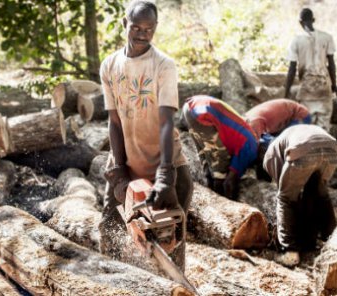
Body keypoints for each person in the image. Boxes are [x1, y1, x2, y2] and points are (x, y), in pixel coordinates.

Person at [99, 0, 193, 271]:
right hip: (126, 159)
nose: (142, 33)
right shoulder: (109, 65)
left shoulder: (163, 66)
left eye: (149, 29)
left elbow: (166, 122)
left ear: (155, 29)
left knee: (169, 240)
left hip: (166, 162)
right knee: (110, 227)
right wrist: (119, 169)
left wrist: (165, 175)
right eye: (136, 27)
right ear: (124, 24)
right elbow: (114, 121)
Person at [263, 124, 337, 267]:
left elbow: (287, 192)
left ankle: (290, 251)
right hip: (332, 149)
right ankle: (334, 242)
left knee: (285, 199)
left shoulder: (269, 155)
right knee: (320, 195)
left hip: (303, 150)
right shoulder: (286, 137)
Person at [182, 95, 258, 199]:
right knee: (221, 165)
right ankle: (218, 201)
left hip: (191, 107)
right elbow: (230, 179)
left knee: (205, 155)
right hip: (204, 113)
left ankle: (209, 185)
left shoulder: (250, 135)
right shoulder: (252, 149)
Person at [285, 8, 337, 131]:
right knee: (324, 127)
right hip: (324, 88)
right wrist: (334, 85)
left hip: (307, 90)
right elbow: (331, 64)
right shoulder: (327, 37)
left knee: (307, 128)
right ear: (313, 20)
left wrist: (287, 91)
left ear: (300, 22)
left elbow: (292, 69)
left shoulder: (296, 40)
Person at [244, 98, 311, 138]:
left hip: (299, 115)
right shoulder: (248, 117)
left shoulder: (253, 122)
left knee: (286, 143)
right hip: (285, 118)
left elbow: (255, 143)